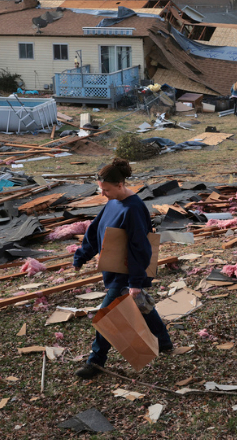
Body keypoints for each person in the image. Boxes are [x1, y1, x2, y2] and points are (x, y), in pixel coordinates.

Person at [73, 158, 173, 379]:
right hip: (114, 269)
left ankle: (96, 361)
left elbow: (140, 247)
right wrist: (81, 256)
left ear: (120, 185)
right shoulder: (112, 202)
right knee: (141, 305)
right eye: (101, 189)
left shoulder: (134, 208)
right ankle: (164, 342)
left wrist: (135, 282)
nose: (103, 194)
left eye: (106, 190)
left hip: (126, 272)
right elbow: (95, 230)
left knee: (106, 316)